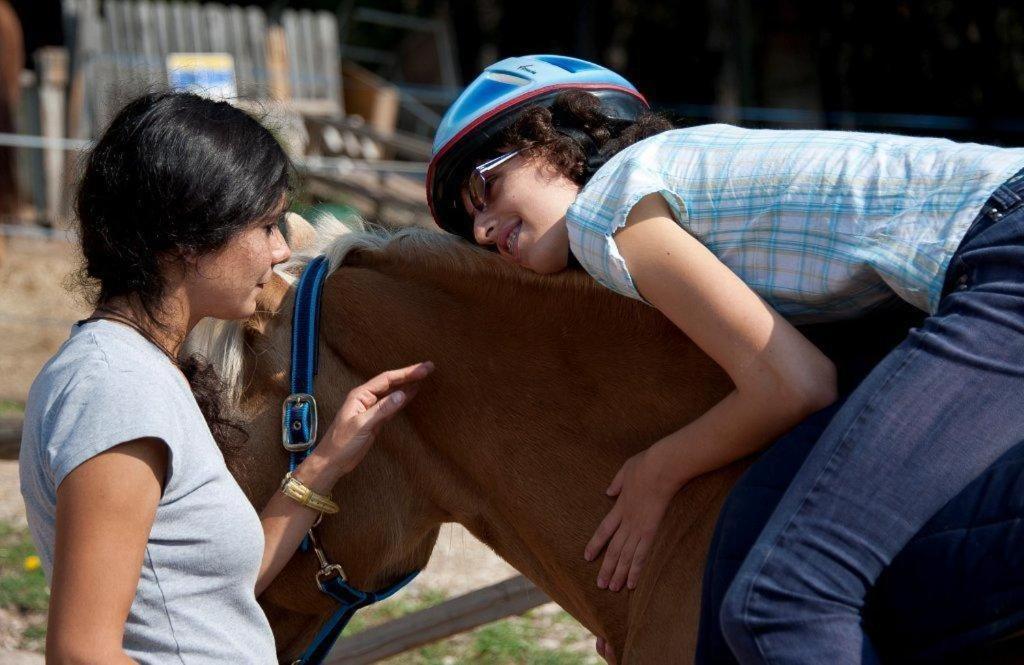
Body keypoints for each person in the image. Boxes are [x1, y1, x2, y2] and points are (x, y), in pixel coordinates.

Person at [426, 54, 1024, 664]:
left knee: (783, 600)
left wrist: (658, 469)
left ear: (560, 140)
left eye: (483, 187)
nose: (481, 231)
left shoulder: (610, 209)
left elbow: (796, 386)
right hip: (989, 255)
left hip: (1004, 255)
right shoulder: (683, 185)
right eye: (469, 222)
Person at [18, 91, 433, 663]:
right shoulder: (115, 389)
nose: (281, 249)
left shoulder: (135, 370)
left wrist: (325, 464)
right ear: (189, 238)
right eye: (265, 225)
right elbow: (82, 653)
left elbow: (205, 598)